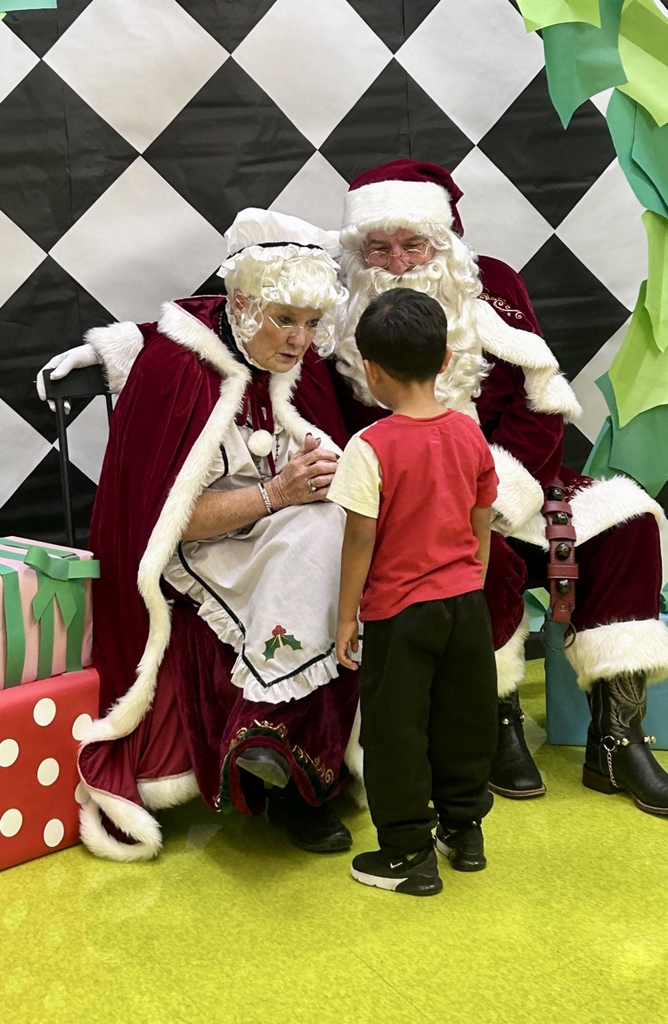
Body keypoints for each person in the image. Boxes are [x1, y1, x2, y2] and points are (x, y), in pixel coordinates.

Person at [334, 159, 668, 814]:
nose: (398, 261)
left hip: (517, 478)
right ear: (358, 251)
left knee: (627, 524)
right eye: (380, 247)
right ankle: (493, 722)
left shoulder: (497, 289)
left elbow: (541, 408)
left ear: (444, 242)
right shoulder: (338, 321)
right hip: (406, 497)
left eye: (414, 244)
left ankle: (618, 740)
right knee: (479, 561)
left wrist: (498, 495)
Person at [41, 209, 365, 861]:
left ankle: (308, 760)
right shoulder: (178, 370)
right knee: (317, 541)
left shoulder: (294, 358)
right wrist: (278, 493)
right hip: (197, 552)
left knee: (339, 533)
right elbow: (161, 520)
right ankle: (275, 752)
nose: (300, 341)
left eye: (310, 323)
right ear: (241, 302)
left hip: (277, 532)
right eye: (285, 320)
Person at [329, 287, 498, 897]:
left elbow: (359, 539)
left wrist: (346, 616)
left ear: (370, 370)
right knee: (464, 718)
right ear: (446, 359)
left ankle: (406, 854)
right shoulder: (469, 435)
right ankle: (465, 832)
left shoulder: (368, 447)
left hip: (401, 614)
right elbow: (482, 514)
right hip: (465, 606)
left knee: (397, 730)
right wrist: (472, 577)